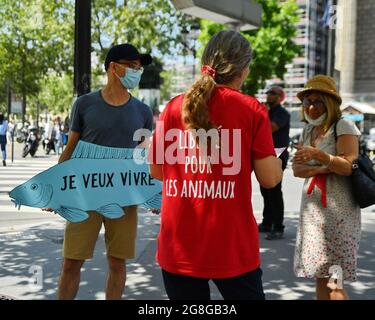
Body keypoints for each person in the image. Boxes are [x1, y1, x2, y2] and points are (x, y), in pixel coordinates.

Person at [149, 30, 283, 300]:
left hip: (179, 247)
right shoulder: (251, 109)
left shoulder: (173, 107)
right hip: (231, 247)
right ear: (244, 70)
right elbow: (270, 179)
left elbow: (156, 171)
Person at [43, 43, 153, 300]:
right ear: (114, 68)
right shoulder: (84, 104)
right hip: (85, 197)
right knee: (71, 263)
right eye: (133, 66)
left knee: (118, 264)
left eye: (139, 67)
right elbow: (69, 149)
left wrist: (150, 191)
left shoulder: (144, 112)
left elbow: (143, 157)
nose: (138, 72)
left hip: (124, 199)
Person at [292, 75, 361, 300]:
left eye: (318, 101)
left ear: (330, 102)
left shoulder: (343, 125)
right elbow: (297, 170)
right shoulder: (307, 131)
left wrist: (319, 156)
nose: (311, 107)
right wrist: (324, 167)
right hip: (313, 214)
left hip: (338, 214)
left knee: (334, 281)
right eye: (307, 102)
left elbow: (349, 166)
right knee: (321, 277)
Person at [258, 86, 290, 240]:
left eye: (273, 93)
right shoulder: (267, 112)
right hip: (266, 154)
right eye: (268, 92)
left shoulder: (282, 113)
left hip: (278, 154)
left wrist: (262, 113)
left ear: (280, 97)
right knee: (265, 190)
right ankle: (267, 222)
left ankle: (278, 226)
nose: (269, 95)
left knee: (275, 191)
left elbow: (269, 128)